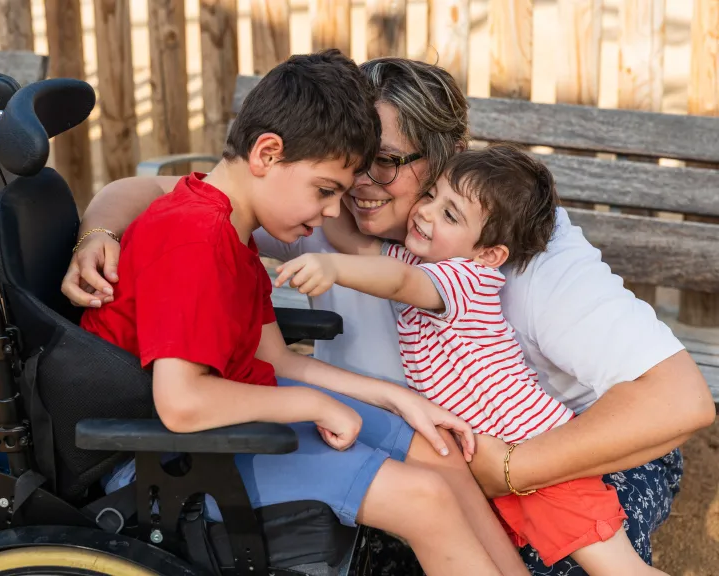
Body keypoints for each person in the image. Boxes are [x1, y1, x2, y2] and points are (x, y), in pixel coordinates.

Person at [62, 56, 716, 575]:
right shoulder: (301, 207)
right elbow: (148, 195)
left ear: (446, 159)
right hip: (413, 442)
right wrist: (100, 233)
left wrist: (513, 469)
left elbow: (682, 402)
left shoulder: (518, 244)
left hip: (571, 452)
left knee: (565, 559)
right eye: (346, 172)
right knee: (419, 518)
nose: (359, 188)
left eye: (387, 162)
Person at [78, 50, 527, 576]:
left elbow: (278, 361)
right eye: (325, 190)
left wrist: (402, 400)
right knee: (422, 499)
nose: (334, 212)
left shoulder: (230, 228)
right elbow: (180, 403)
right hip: (163, 459)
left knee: (438, 452)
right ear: (267, 153)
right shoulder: (193, 236)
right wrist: (315, 406)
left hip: (223, 423)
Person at [275, 144, 670, 574]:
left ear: (489, 253)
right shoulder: (423, 257)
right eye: (431, 197)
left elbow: (398, 281)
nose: (426, 213)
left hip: (537, 456)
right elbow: (354, 242)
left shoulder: (467, 277)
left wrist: (332, 270)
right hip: (498, 463)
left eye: (451, 215)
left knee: (619, 569)